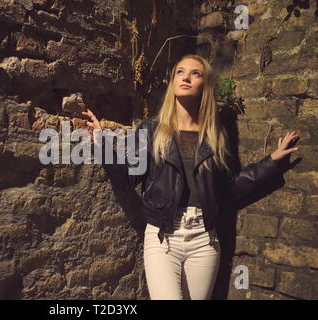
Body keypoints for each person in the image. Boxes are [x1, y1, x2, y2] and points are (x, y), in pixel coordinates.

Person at [81, 54, 300, 300]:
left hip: (204, 240)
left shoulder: (216, 137)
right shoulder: (151, 130)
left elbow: (230, 190)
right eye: (180, 72)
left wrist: (272, 162)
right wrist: (100, 141)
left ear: (204, 85)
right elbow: (127, 178)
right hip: (163, 237)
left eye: (195, 73)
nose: (186, 77)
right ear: (173, 81)